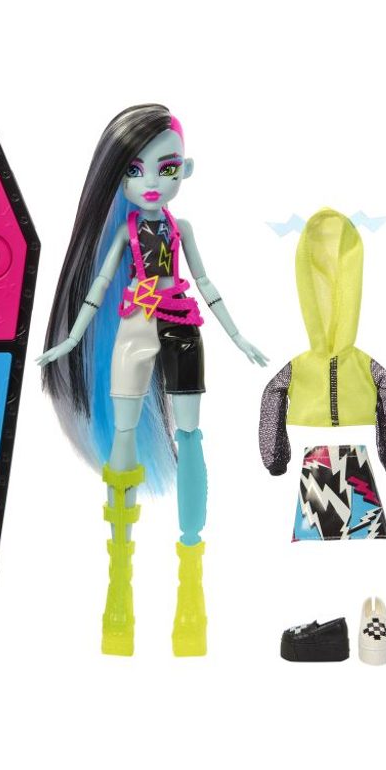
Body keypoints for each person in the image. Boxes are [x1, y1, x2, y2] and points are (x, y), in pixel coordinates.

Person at [38, 104, 266, 656]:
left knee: (190, 437)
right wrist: (70, 339)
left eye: (166, 169)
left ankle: (191, 581)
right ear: (117, 176)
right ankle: (119, 581)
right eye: (134, 170)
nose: (151, 183)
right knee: (123, 434)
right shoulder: (125, 232)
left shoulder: (181, 228)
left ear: (184, 171)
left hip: (182, 326)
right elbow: (96, 290)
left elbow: (206, 284)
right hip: (135, 327)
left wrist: (238, 336)